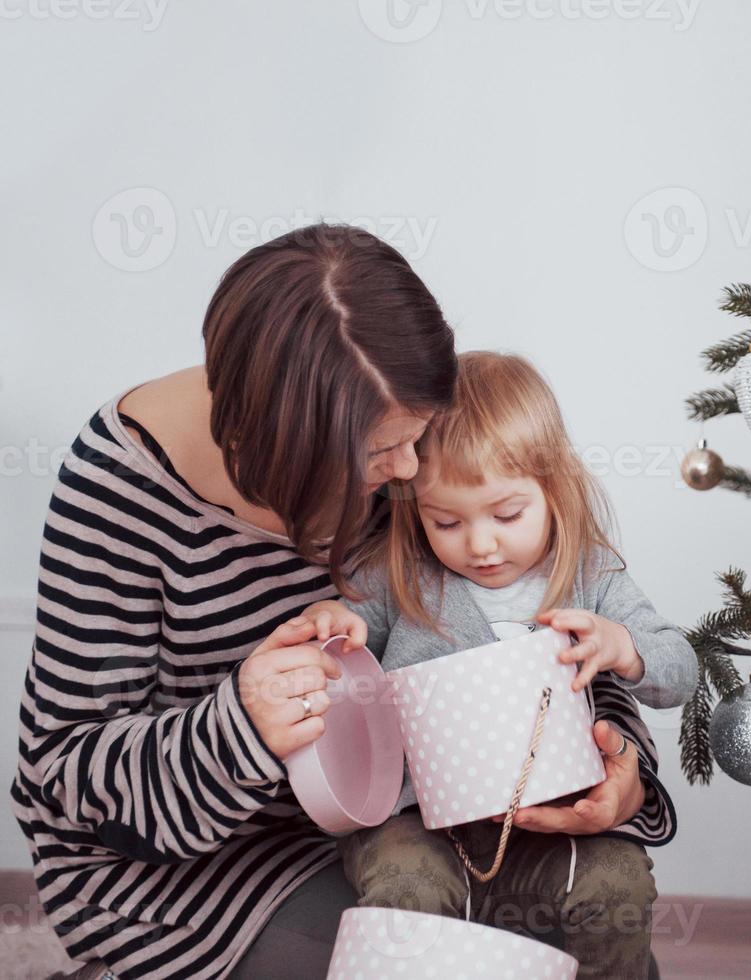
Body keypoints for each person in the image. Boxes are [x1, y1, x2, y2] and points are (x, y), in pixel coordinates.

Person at [8, 225, 670, 980]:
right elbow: (66, 777)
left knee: (584, 941)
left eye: (417, 438)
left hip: (403, 828)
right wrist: (241, 726)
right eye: (384, 452)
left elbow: (533, 616)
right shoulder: (117, 493)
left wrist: (618, 768)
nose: (412, 470)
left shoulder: (391, 426)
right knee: (428, 967)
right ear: (287, 440)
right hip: (189, 869)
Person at [298, 351, 699, 979]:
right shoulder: (400, 572)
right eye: (447, 521)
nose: (480, 545)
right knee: (405, 895)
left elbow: (680, 671)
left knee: (618, 887)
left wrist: (623, 645)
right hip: (420, 824)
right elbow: (348, 631)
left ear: (554, 489)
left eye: (508, 515)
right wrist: (338, 623)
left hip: (553, 822)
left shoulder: (589, 574)